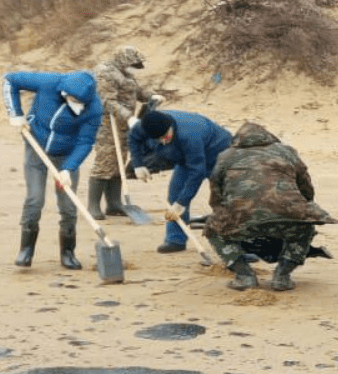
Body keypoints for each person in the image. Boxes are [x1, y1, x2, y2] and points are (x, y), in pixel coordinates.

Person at [204, 122, 338, 291]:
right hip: (287, 215)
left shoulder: (225, 156)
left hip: (241, 217)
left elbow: (216, 191)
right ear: (268, 136)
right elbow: (305, 185)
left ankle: (244, 275)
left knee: (213, 231)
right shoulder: (286, 152)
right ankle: (282, 276)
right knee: (304, 229)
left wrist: (221, 214)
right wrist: (305, 208)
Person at [3, 69, 103, 270]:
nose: (77, 103)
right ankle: (26, 250)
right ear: (64, 92)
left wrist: (68, 168)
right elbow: (9, 80)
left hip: (66, 155)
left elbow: (85, 142)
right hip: (36, 147)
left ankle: (68, 252)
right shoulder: (49, 82)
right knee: (34, 198)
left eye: (80, 100)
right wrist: (16, 114)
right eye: (73, 98)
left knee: (68, 205)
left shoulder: (94, 109)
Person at [128, 110, 232, 253]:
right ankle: (176, 239)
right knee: (175, 193)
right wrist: (137, 164)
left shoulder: (189, 135)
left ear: (171, 126)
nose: (163, 141)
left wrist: (182, 203)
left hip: (219, 154)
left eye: (165, 136)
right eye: (158, 139)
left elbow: (197, 172)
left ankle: (240, 245)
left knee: (227, 198)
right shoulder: (145, 125)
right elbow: (133, 138)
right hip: (185, 156)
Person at [88, 45, 163, 220]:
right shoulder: (105, 72)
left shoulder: (125, 73)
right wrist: (128, 116)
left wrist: (152, 96)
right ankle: (93, 206)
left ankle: (113, 204)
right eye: (134, 64)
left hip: (124, 126)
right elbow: (106, 101)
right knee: (105, 162)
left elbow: (136, 92)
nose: (135, 68)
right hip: (107, 125)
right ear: (124, 60)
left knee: (118, 163)